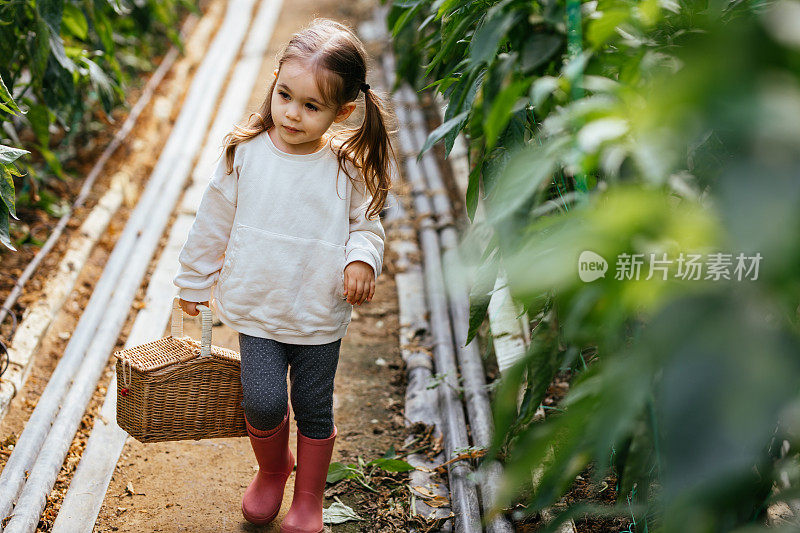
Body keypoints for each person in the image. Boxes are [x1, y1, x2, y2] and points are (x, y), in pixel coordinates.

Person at [171, 18, 396, 533]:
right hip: (260, 307)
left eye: (310, 106)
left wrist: (361, 259)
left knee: (313, 405)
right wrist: (193, 282)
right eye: (285, 95)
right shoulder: (245, 154)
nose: (292, 113)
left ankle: (309, 498)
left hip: (317, 311)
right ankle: (274, 469)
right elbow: (212, 222)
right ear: (274, 81)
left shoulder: (345, 168)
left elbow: (367, 226)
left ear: (342, 111)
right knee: (264, 399)